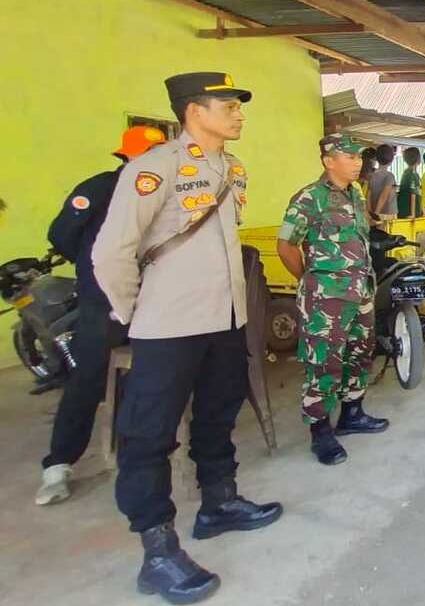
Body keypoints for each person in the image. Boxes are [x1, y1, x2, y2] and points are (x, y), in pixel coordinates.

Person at [92, 72, 282, 605]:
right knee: (149, 436)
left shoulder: (232, 169)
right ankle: (157, 551)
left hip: (224, 320)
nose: (239, 113)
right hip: (168, 325)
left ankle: (219, 504)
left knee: (219, 415)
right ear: (194, 111)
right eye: (228, 104)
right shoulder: (154, 169)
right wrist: (137, 312)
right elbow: (111, 253)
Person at [35, 125, 167, 506]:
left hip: (153, 299)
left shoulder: (162, 193)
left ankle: (137, 453)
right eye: (150, 153)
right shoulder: (101, 188)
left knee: (151, 375)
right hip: (104, 298)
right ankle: (58, 464)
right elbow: (62, 235)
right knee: (89, 378)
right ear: (128, 156)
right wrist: (94, 268)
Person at [277, 134, 388, 467]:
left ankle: (352, 413)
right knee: (325, 362)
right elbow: (286, 246)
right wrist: (311, 280)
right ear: (329, 161)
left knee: (359, 353)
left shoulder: (354, 195)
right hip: (326, 298)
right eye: (350, 157)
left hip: (360, 292)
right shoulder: (309, 198)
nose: (357, 163)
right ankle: (320, 430)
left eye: (359, 158)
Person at [366, 144, 397, 220]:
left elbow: (368, 195)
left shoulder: (371, 175)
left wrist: (370, 211)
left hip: (374, 212)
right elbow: (384, 195)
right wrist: (377, 213)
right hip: (388, 213)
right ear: (391, 160)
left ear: (376, 158)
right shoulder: (389, 176)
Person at [396, 146, 423, 218]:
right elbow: (413, 194)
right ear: (418, 159)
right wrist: (412, 214)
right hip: (408, 213)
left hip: (404, 211)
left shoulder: (407, 172)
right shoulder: (412, 174)